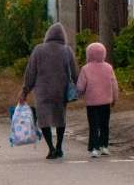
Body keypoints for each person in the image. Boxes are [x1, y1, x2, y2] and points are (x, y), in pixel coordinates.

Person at [19, 23, 79, 160]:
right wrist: (79, 88)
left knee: (43, 119)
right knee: (60, 118)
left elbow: (30, 72)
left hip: (42, 91)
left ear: (48, 35)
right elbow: (75, 71)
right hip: (60, 90)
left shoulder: (38, 50)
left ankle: (51, 148)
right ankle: (59, 147)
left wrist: (25, 91)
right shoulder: (67, 50)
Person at [76, 41, 119, 158]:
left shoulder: (85, 69)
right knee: (104, 124)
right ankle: (104, 146)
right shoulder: (108, 67)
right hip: (106, 102)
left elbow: (80, 86)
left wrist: (79, 94)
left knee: (94, 125)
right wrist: (115, 98)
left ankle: (94, 148)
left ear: (88, 54)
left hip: (92, 103)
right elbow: (114, 84)